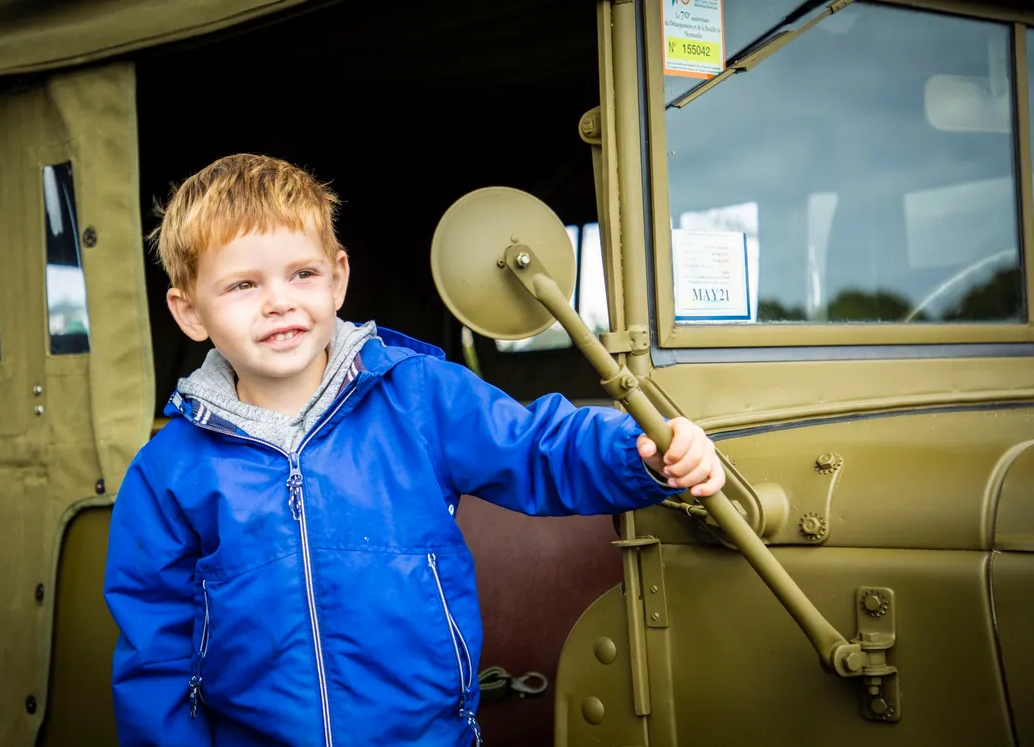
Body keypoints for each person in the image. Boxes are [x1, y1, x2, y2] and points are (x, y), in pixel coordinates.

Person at [103, 153, 725, 747]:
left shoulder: (420, 396)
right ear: (189, 312)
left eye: (302, 273)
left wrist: (640, 452)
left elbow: (537, 445)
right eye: (242, 284)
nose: (279, 302)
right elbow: (156, 657)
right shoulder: (168, 473)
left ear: (338, 277)